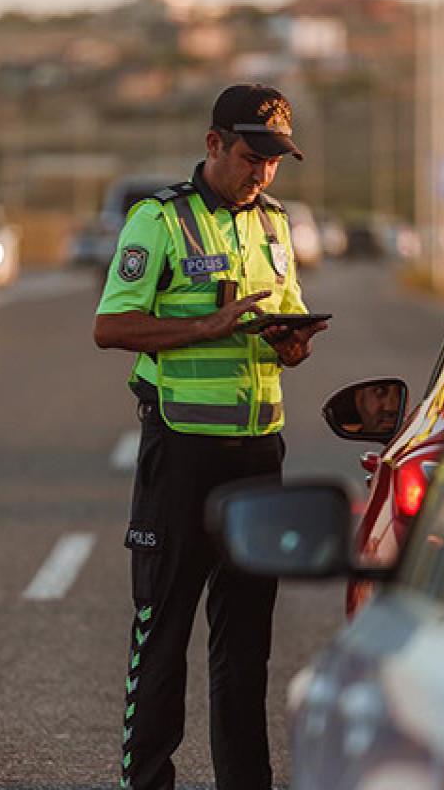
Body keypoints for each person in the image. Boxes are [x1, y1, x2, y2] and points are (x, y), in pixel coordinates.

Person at [93, 83, 328, 790]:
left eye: (276, 160)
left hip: (260, 450)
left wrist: (294, 342)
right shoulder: (156, 221)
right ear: (214, 145)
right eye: (252, 156)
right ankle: (150, 781)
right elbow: (111, 327)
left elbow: (282, 320)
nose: (262, 172)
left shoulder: (276, 225)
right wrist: (205, 327)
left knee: (247, 643)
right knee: (163, 630)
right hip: (182, 452)